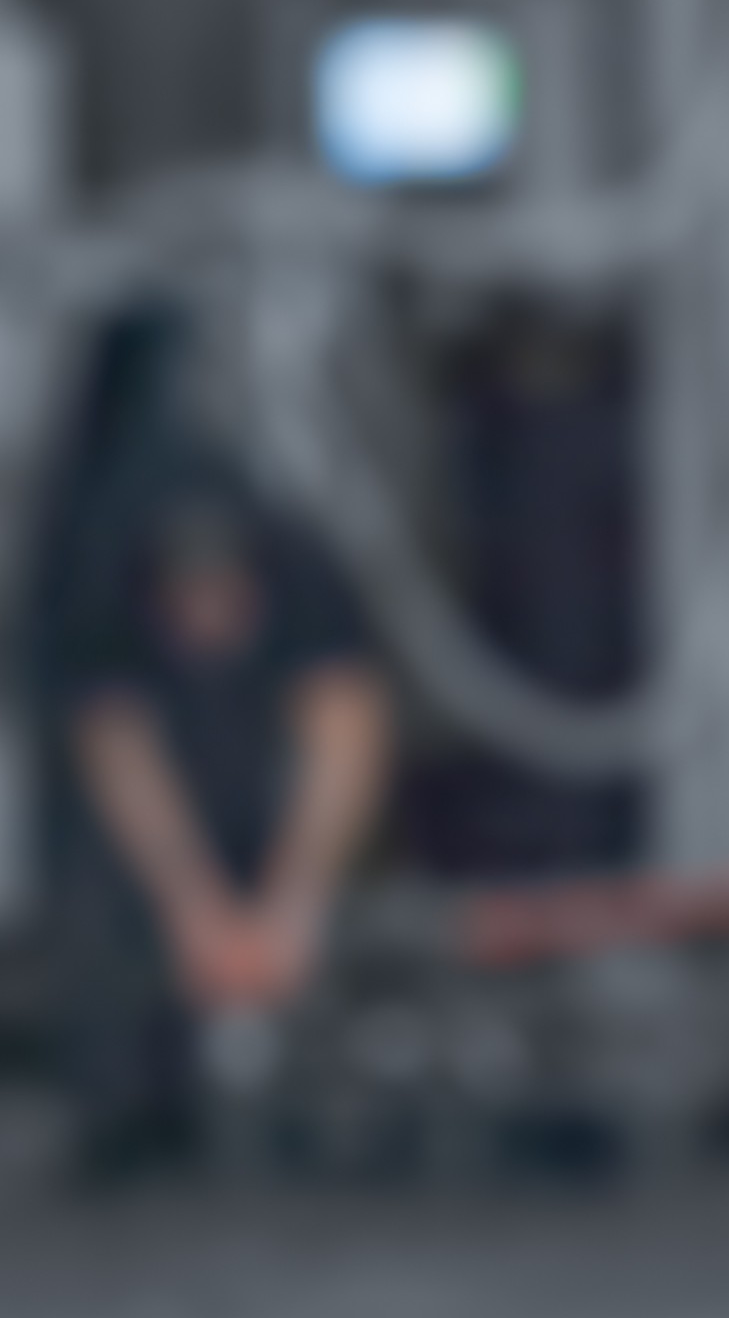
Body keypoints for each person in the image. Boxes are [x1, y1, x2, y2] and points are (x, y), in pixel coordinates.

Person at [36, 333, 394, 1185]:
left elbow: (346, 729)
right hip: (161, 774)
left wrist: (292, 903)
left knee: (335, 846)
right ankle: (127, 1115)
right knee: (102, 901)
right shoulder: (104, 575)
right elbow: (116, 745)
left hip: (258, 769)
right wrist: (196, 907)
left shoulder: (300, 565)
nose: (208, 623)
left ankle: (332, 1090)